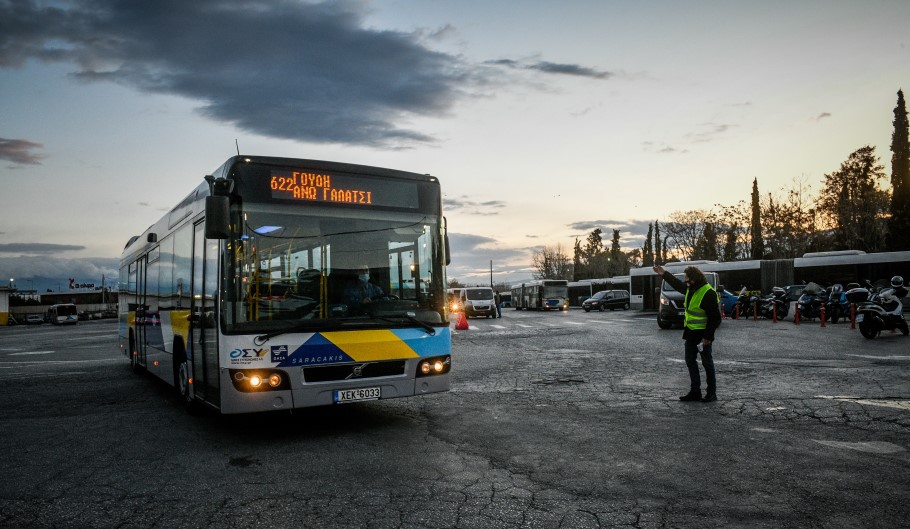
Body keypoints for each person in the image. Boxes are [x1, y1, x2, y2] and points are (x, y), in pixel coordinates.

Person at [653, 264, 721, 403]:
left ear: (694, 279)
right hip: (690, 334)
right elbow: (677, 284)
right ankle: (695, 392)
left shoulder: (708, 293)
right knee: (690, 361)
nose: (685, 281)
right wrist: (664, 273)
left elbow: (715, 318)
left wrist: (708, 337)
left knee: (707, 363)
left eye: (687, 278)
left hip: (703, 336)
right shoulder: (691, 289)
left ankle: (711, 393)